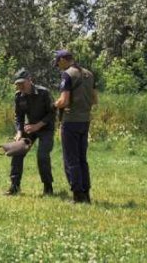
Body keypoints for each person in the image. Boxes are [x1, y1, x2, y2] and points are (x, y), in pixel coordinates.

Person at [53, 49, 96, 203]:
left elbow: (63, 101)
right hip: (85, 121)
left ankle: (77, 195)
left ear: (64, 59)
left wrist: (54, 104)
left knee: (71, 160)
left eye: (58, 63)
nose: (58, 66)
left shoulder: (68, 75)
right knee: (82, 159)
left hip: (70, 122)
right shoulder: (89, 74)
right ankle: (86, 194)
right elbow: (94, 99)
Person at [5, 67, 56, 196]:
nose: (20, 86)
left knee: (42, 156)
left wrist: (38, 125)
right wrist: (19, 132)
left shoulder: (44, 93)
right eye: (17, 84)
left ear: (30, 80)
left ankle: (48, 188)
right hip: (29, 129)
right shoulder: (18, 96)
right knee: (17, 151)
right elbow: (19, 116)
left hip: (46, 128)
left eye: (22, 83)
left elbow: (52, 113)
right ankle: (14, 186)